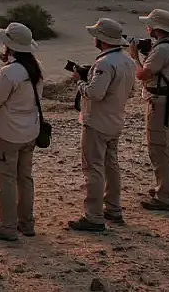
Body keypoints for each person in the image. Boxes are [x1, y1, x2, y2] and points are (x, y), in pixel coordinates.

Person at [67, 18, 137, 232]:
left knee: (93, 168)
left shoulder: (104, 64)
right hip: (115, 119)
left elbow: (95, 93)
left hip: (97, 122)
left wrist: (80, 82)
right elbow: (130, 92)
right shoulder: (127, 61)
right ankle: (113, 208)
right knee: (111, 165)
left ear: (102, 40)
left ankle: (94, 216)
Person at [0, 22, 42, 241]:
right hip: (30, 130)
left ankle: (7, 226)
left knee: (6, 181)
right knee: (25, 179)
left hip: (8, 133)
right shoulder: (35, 68)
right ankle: (26, 223)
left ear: (10, 46)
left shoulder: (9, 72)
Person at [131, 9, 169, 212]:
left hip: (160, 103)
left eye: (149, 24)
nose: (147, 28)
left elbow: (143, 74)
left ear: (156, 27)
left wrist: (135, 57)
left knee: (159, 148)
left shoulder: (162, 49)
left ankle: (166, 197)